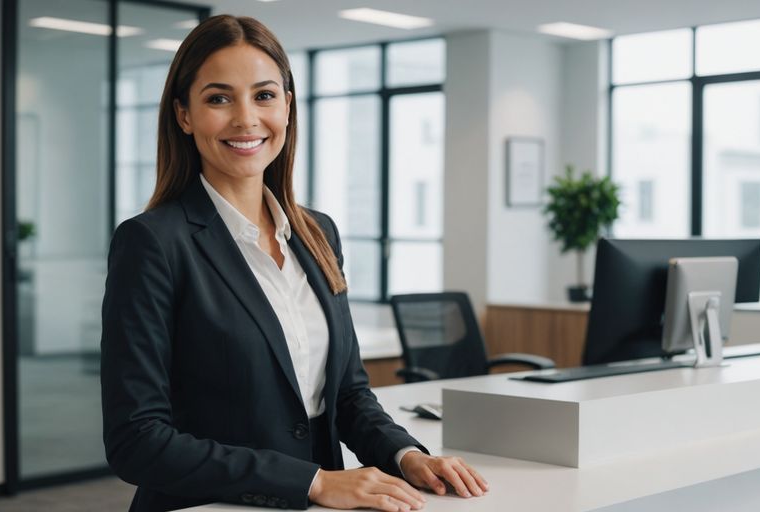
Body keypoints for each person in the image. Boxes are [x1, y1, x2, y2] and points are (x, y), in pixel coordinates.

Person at [100, 14, 488, 512]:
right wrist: (312, 482)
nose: (246, 119)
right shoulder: (152, 242)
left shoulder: (316, 232)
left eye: (264, 95)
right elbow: (137, 440)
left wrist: (405, 454)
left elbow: (347, 396)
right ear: (184, 115)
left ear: (288, 105)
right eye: (219, 98)